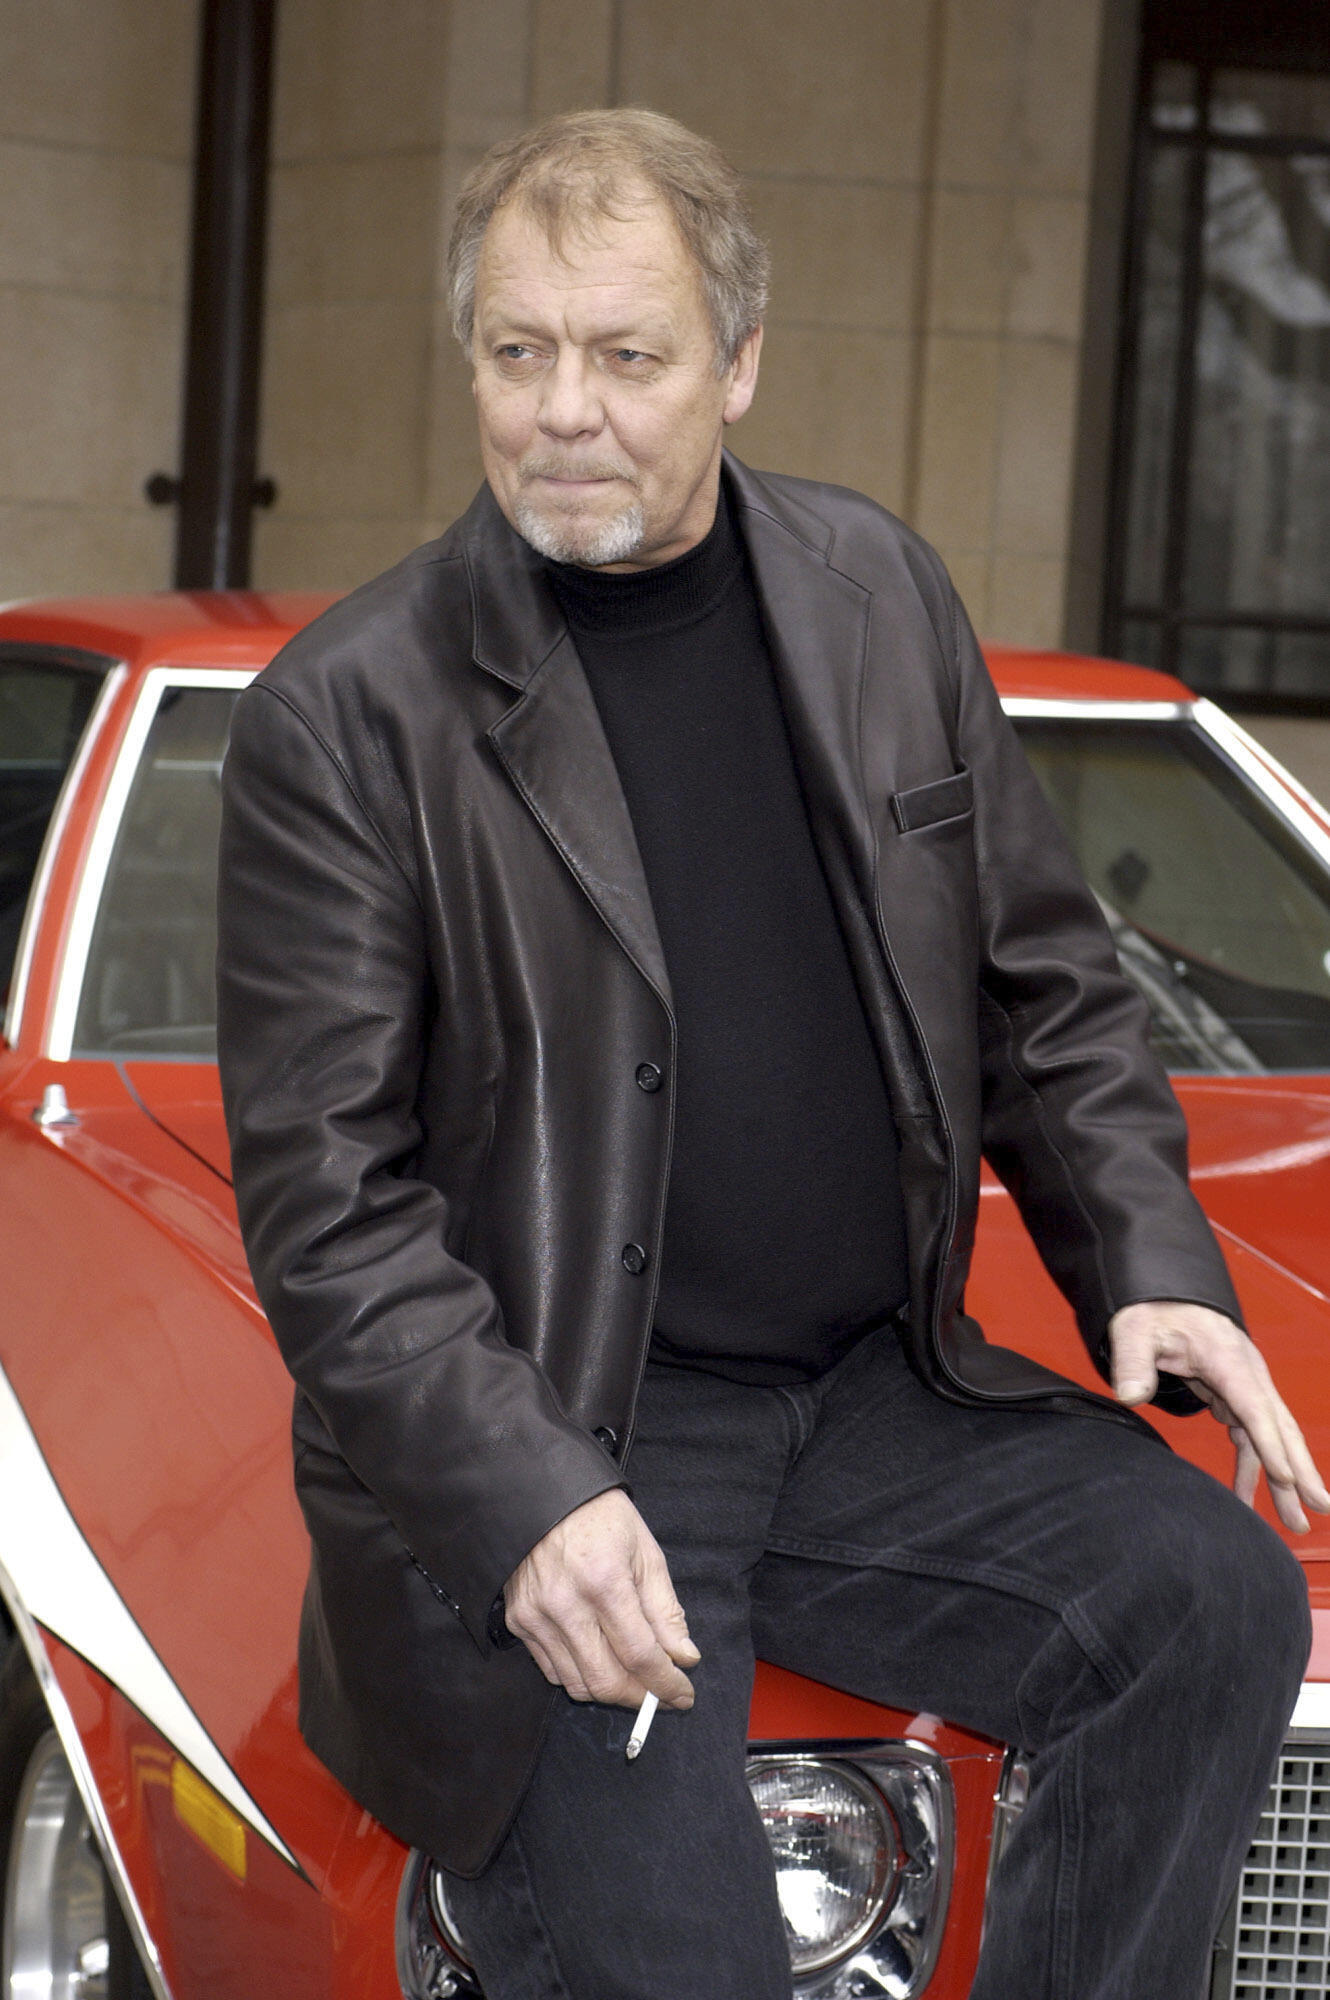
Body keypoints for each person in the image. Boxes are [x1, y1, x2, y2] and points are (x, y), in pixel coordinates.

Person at [216, 108, 1324, 1999]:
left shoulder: (872, 590)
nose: (563, 410)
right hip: (576, 1430)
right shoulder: (348, 717)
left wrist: (1146, 1255)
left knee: (1207, 1601)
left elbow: (1037, 975)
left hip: (874, 1397)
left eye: (626, 356)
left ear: (736, 365)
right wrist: (527, 1505)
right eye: (517, 352)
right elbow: (332, 1210)